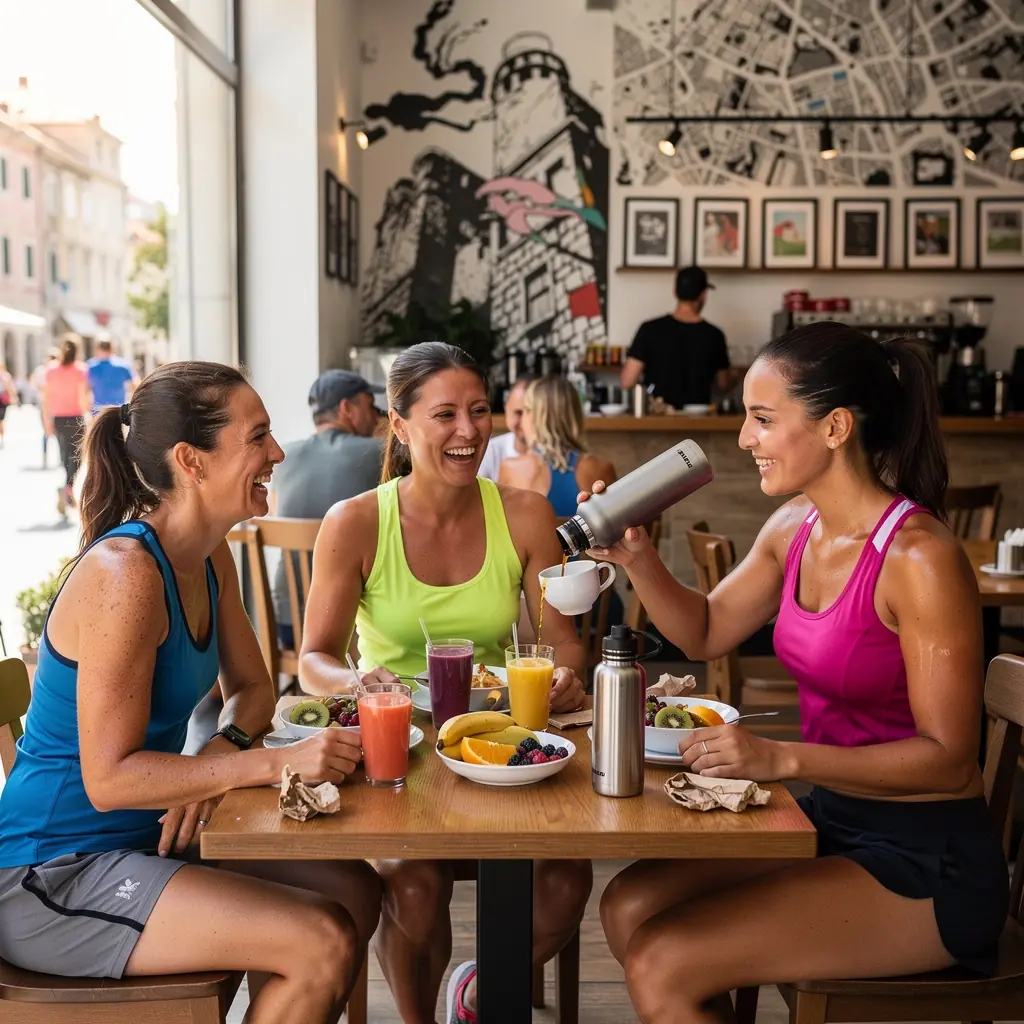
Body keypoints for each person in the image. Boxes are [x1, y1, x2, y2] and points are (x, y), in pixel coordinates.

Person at [595, 322, 1008, 1024]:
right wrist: (638, 559)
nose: (744, 440)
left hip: (927, 857)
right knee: (627, 904)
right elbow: (705, 630)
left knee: (662, 960)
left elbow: (950, 761)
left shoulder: (918, 558)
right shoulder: (795, 526)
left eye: (762, 419)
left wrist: (779, 755)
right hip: (829, 820)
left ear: (835, 427)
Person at [0, 362, 382, 1024]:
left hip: (144, 841)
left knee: (353, 890)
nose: (279, 453)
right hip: (50, 875)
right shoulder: (127, 577)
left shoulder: (209, 556)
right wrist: (268, 762)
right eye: (257, 436)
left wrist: (218, 757)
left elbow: (256, 689)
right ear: (191, 461)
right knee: (321, 939)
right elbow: (109, 782)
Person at [298, 342, 592, 1024]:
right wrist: (352, 678)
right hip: (395, 751)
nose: (468, 431)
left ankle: (479, 997)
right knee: (415, 883)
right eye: (445, 415)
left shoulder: (523, 515)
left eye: (480, 410)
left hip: (500, 743)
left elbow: (562, 644)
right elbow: (312, 656)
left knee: (564, 882)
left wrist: (567, 679)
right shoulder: (356, 521)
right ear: (398, 425)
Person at [270, 368, 386, 649]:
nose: (377, 417)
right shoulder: (377, 452)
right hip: (348, 630)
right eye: (370, 406)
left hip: (288, 622)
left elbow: (275, 513)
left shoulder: (283, 458)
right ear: (347, 408)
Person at [499, 375, 617, 519]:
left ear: (535, 416)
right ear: (575, 415)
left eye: (526, 411)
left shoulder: (511, 469)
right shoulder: (602, 468)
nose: (522, 419)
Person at [620, 266, 731, 410]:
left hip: (658, 416)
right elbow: (723, 383)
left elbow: (627, 381)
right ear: (703, 295)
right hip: (699, 420)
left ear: (675, 292)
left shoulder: (649, 329)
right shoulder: (715, 335)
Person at [42, 336, 91, 514]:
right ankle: (69, 488)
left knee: (64, 454)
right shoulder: (80, 370)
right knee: (76, 456)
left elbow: (46, 399)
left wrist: (46, 422)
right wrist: (88, 417)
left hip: (58, 418)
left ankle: (67, 488)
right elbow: (82, 398)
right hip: (76, 417)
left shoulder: (51, 370)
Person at [476, 374, 533, 482]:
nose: (526, 420)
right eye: (518, 412)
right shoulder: (489, 451)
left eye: (532, 413)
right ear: (506, 407)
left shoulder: (560, 458)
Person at [87, 337, 138, 413]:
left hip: (98, 410)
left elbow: (86, 389)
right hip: (118, 409)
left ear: (97, 349)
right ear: (112, 348)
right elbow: (134, 387)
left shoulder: (90, 366)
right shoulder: (123, 365)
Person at [31, 347, 59, 468]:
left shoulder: (40, 370)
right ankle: (61, 456)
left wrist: (40, 390)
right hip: (56, 404)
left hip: (43, 403)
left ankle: (46, 456)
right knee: (58, 431)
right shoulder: (56, 370)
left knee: (46, 431)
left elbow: (33, 383)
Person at [0, 360, 18, 448]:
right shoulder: (5, 376)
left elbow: (10, 387)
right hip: (2, 400)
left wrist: (14, 398)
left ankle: (2, 437)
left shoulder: (5, 376)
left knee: (1, 420)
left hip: (2, 400)